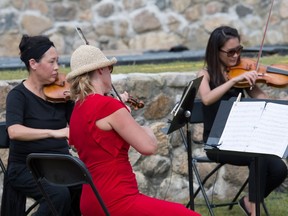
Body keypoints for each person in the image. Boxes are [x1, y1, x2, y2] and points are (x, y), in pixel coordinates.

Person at [66, 44, 201, 216]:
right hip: (117, 200)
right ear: (100, 70)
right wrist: (143, 126)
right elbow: (148, 147)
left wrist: (122, 113)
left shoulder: (77, 108)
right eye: (110, 68)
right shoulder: (108, 105)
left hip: (90, 200)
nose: (110, 73)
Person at [197, 26, 287, 216]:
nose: (236, 56)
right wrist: (231, 83)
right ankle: (255, 212)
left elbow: (263, 99)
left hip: (241, 140)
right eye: (231, 52)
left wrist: (280, 102)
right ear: (216, 51)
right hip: (216, 143)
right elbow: (206, 98)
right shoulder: (204, 74)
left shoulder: (242, 75)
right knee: (258, 156)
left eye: (239, 50)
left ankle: (248, 202)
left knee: (279, 168)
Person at [2, 35, 81, 216]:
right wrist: (53, 133)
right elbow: (14, 131)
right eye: (51, 62)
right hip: (27, 167)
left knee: (87, 185)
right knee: (58, 195)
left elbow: (79, 124)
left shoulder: (62, 94)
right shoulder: (18, 96)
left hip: (60, 164)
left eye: (58, 61)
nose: (57, 68)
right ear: (33, 63)